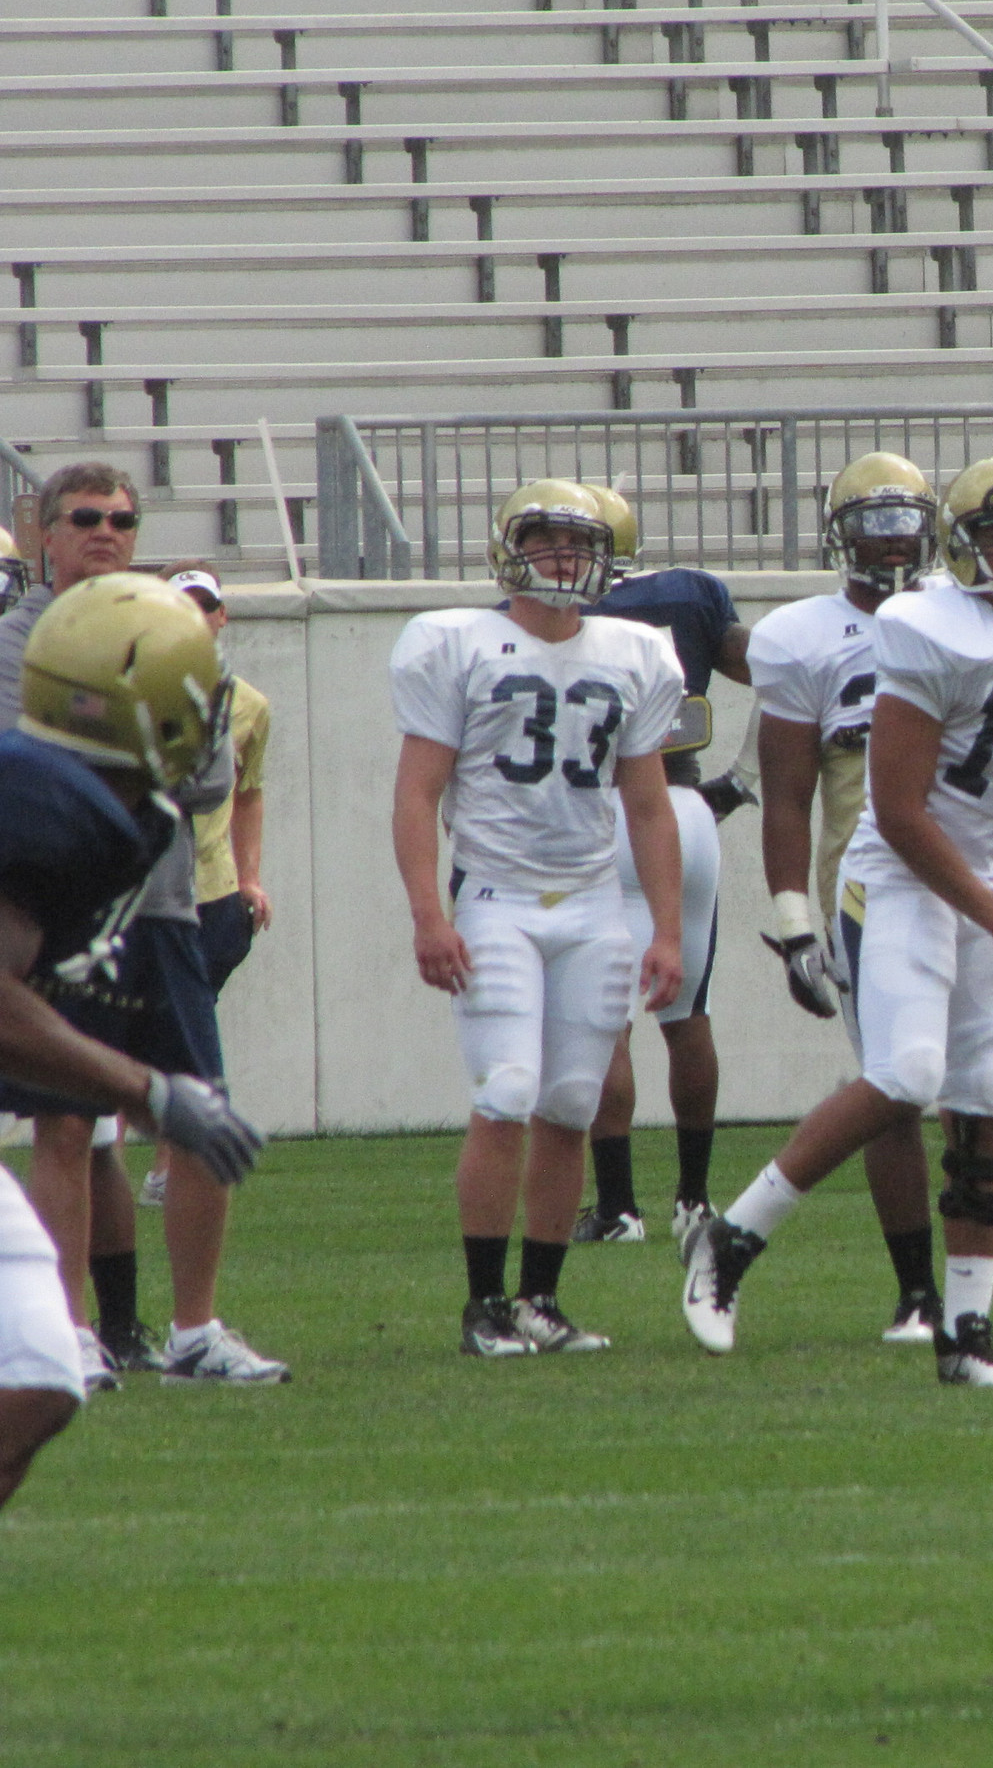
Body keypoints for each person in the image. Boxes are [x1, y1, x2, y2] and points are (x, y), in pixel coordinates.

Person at [684, 458, 993, 1387]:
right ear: (960, 549)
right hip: (897, 875)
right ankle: (732, 1239)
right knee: (907, 1072)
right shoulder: (922, 630)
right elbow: (899, 812)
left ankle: (965, 1336)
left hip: (989, 878)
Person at [0, 464, 285, 1388]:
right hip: (62, 911)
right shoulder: (19, 639)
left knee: (200, 1107)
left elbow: (209, 775)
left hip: (161, 904)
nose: (106, 532)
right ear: (45, 533)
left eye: (122, 518)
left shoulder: (173, 630)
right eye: (85, 517)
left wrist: (110, 746)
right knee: (67, 1121)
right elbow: (27, 764)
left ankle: (195, 1329)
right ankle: (68, 1329)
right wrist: (130, 745)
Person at [390, 478, 685, 1358]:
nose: (562, 557)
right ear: (509, 549)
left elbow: (651, 807)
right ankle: (485, 1304)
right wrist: (425, 913)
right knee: (508, 1090)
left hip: (594, 903)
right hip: (495, 899)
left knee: (569, 1102)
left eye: (576, 543)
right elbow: (417, 792)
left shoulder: (635, 652)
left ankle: (541, 1300)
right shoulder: (459, 644)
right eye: (545, 540)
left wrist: (666, 928)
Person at [574, 484, 748, 1248]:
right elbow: (789, 676)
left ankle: (617, 1207)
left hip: (600, 816)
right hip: (684, 808)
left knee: (604, 1020)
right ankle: (694, 1199)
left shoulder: (556, 617)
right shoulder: (692, 595)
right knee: (688, 1015)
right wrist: (743, 780)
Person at [137, 566, 273, 1211]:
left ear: (223, 617)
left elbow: (248, 794)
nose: (196, 616)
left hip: (214, 890)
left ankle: (170, 1164)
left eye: (206, 606)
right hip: (152, 888)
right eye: (181, 605)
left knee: (185, 1029)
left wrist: (251, 877)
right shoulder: (129, 690)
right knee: (162, 1030)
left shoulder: (248, 704)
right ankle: (163, 1157)